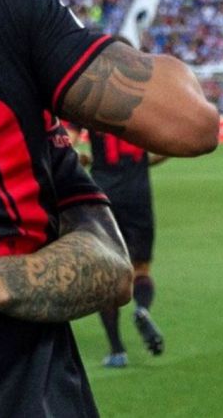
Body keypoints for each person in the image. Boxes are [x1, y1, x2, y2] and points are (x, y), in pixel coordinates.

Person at [0, 0, 219, 417]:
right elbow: (193, 122)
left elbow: (110, 267)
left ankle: (115, 347)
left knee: (129, 267)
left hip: (29, 391)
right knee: (141, 265)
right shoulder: (12, 17)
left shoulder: (8, 21)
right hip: (132, 193)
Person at [66, 123, 168, 368]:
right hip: (138, 194)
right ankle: (142, 309)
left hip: (104, 195)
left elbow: (67, 145)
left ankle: (117, 350)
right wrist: (142, 163)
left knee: (107, 273)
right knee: (141, 268)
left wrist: (84, 158)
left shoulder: (89, 105)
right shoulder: (140, 107)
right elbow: (168, 146)